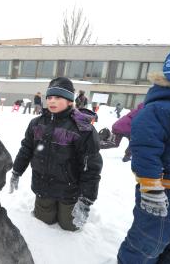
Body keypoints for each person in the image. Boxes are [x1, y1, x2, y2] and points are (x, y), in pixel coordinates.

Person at [10, 77, 103, 231]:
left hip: (69, 191)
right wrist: (16, 171)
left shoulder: (82, 129)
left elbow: (91, 166)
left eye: (58, 97)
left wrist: (86, 200)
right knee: (42, 223)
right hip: (43, 186)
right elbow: (26, 149)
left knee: (69, 226)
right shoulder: (36, 124)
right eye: (49, 97)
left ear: (69, 101)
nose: (52, 101)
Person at [117, 51, 170, 264]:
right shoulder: (160, 109)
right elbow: (145, 147)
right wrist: (150, 187)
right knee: (148, 242)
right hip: (162, 192)